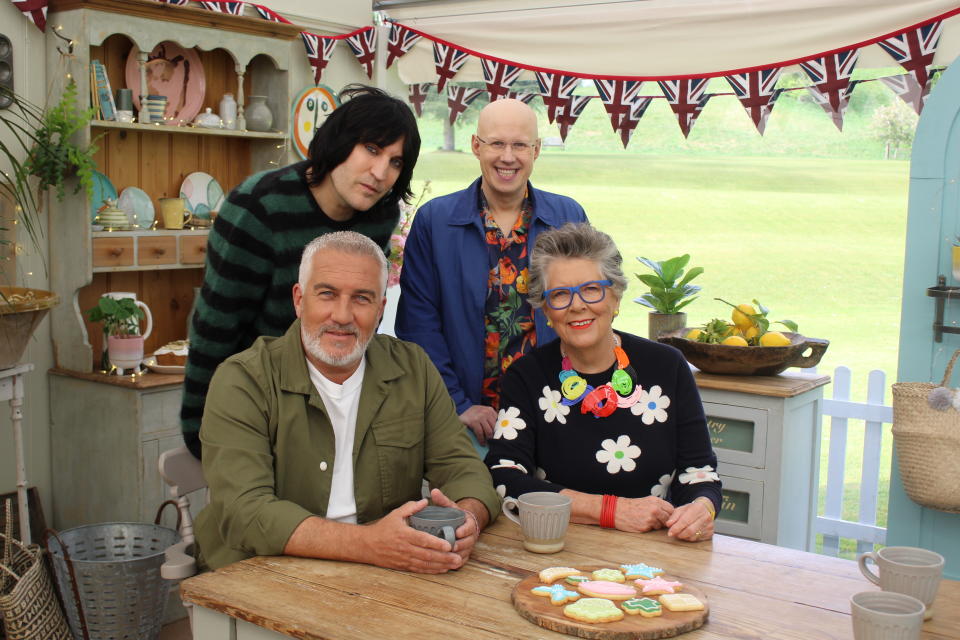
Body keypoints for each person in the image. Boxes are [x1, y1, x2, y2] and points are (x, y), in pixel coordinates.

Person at [195, 231, 500, 572]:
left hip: (384, 572)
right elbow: (244, 512)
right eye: (327, 294)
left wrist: (468, 518)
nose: (342, 315)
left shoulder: (413, 368)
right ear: (299, 300)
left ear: (381, 309)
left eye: (361, 299)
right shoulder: (243, 380)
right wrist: (369, 544)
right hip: (258, 572)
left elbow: (464, 469)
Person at [181, 85, 420, 459]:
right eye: (372, 149)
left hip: (338, 406)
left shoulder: (380, 214)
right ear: (339, 142)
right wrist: (200, 434)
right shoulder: (258, 207)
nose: (380, 172)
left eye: (396, 161)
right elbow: (216, 330)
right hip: (258, 406)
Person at [485, 223, 721, 542]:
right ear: (545, 310)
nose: (577, 305)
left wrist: (702, 509)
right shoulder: (526, 377)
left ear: (615, 295)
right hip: (561, 544)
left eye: (591, 289)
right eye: (559, 295)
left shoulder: (668, 366)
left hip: (655, 550)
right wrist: (609, 511)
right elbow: (504, 475)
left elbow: (699, 473)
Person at [396, 98, 587, 451]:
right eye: (497, 143)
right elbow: (418, 324)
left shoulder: (567, 218)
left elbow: (586, 313)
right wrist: (459, 405)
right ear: (476, 146)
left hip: (553, 412)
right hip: (464, 422)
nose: (508, 157)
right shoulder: (436, 222)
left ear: (537, 150)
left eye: (520, 145)